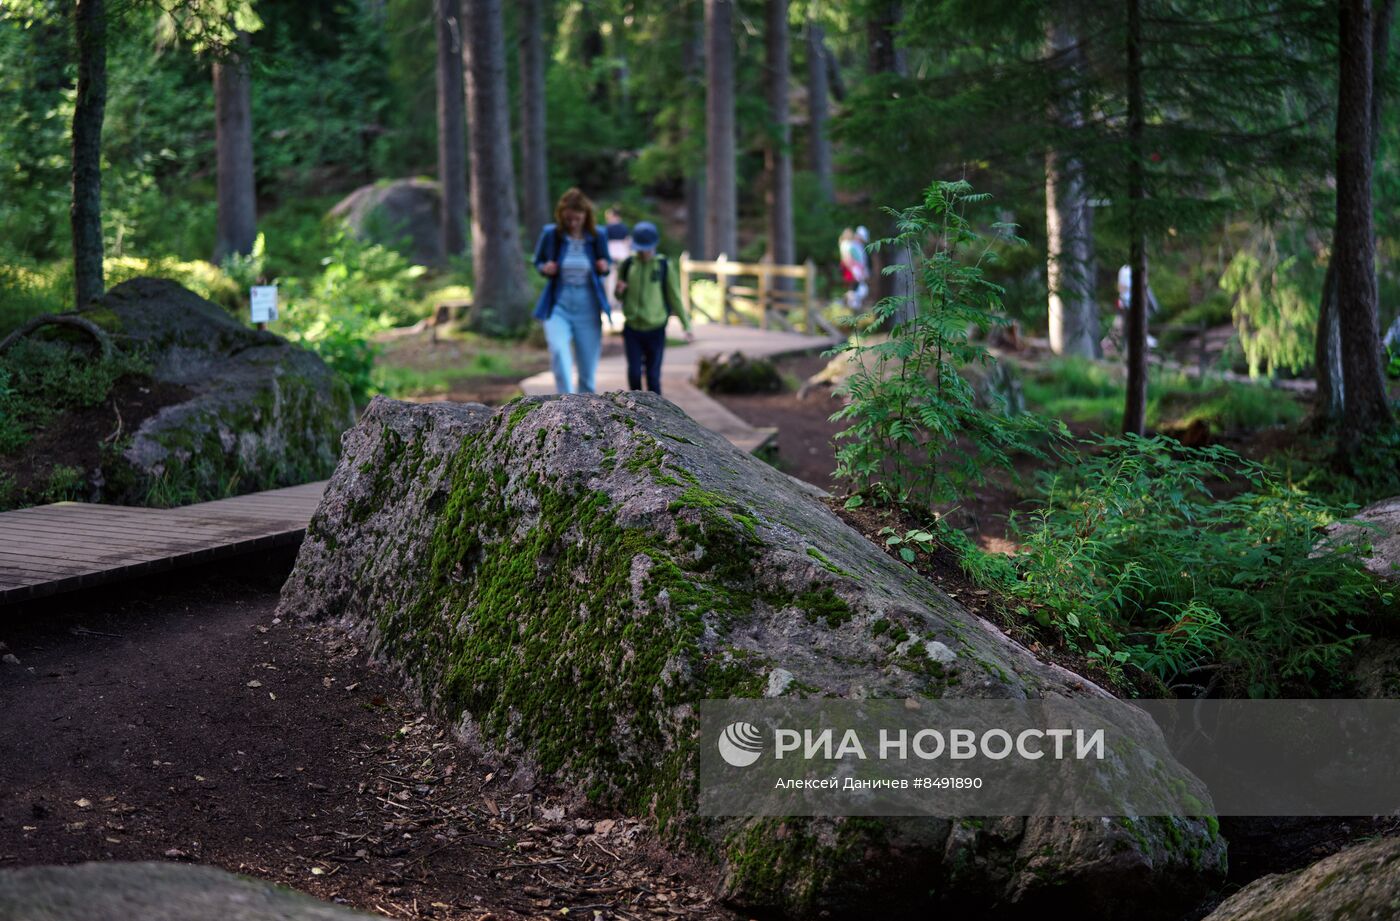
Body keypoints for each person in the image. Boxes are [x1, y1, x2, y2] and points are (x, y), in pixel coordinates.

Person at [532, 188, 612, 393]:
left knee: (587, 370)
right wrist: (545, 268)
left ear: (586, 216)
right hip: (558, 303)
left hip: (588, 304)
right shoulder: (551, 234)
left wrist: (604, 266)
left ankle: (586, 417)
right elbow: (538, 261)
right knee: (559, 352)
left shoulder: (597, 235)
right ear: (562, 216)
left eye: (577, 218)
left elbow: (606, 263)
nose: (573, 223)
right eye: (569, 219)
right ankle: (565, 406)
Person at [613, 221, 692, 395]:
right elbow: (619, 296)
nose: (644, 252)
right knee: (634, 373)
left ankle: (657, 418)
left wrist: (686, 325)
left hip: (656, 328)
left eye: (647, 248)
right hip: (632, 328)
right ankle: (635, 413)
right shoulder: (628, 265)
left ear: (654, 245)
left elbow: (675, 297)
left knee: (653, 376)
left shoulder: (663, 265)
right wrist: (619, 290)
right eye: (641, 248)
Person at [1115, 263, 1160, 350]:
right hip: (1135, 306)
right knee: (1136, 328)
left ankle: (1126, 348)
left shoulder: (1124, 270)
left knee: (1127, 329)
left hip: (1125, 305)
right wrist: (1154, 307)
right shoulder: (1135, 272)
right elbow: (1147, 292)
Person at [602, 205, 632, 323]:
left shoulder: (607, 229)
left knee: (611, 280)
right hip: (622, 256)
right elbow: (627, 242)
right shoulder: (624, 228)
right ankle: (619, 301)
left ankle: (612, 301)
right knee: (620, 279)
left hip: (612, 257)